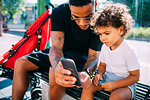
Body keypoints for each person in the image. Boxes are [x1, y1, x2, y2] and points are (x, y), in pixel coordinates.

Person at [12, 0, 103, 100]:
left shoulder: (101, 20)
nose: (82, 23)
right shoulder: (59, 12)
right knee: (20, 63)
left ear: (95, 4)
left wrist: (87, 72)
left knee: (55, 75)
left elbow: (93, 57)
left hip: (81, 57)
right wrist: (56, 67)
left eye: (88, 17)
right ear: (69, 6)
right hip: (61, 51)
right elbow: (56, 47)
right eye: (76, 17)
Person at [81, 2, 140, 100]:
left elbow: (135, 77)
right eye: (100, 34)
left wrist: (115, 84)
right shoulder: (105, 47)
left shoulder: (128, 51)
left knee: (116, 96)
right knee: (87, 87)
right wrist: (99, 74)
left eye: (106, 33)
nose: (102, 38)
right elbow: (102, 65)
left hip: (125, 85)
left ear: (121, 30)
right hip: (107, 81)